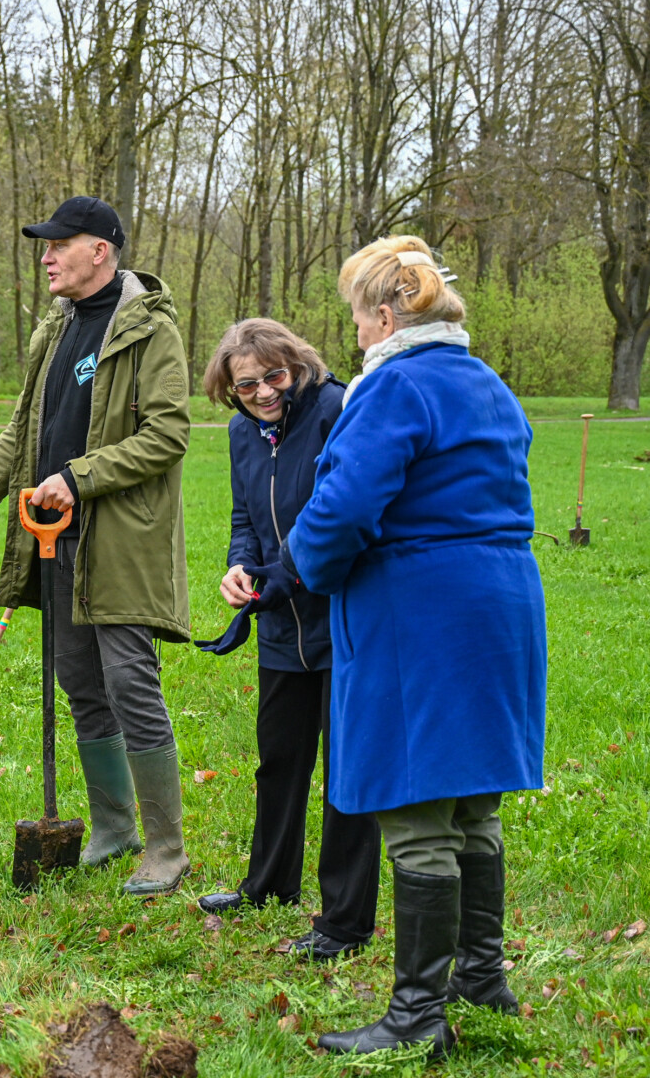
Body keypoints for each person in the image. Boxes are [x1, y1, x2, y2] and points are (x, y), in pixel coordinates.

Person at [283, 237, 545, 1058]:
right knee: (471, 803)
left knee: (417, 806)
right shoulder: (486, 382)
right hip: (500, 599)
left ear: (386, 317)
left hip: (422, 608)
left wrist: (305, 565)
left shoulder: (395, 384)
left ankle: (415, 1016)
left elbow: (345, 505)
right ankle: (480, 977)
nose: (356, 334)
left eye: (358, 319)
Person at [0, 196, 193, 895]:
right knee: (81, 685)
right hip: (55, 541)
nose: (45, 257)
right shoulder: (58, 327)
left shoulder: (150, 330)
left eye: (58, 245)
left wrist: (79, 477)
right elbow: (22, 430)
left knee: (130, 684)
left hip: (122, 540)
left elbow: (167, 434)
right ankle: (113, 828)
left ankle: (166, 850)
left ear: (99, 250)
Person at [191, 319, 381, 962]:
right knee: (278, 760)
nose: (264, 393)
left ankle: (344, 920)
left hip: (341, 618)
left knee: (346, 772)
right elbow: (245, 517)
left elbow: (344, 516)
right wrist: (240, 567)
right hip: (278, 623)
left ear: (297, 366)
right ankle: (269, 884)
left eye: (274, 377)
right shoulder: (241, 432)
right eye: (246, 386)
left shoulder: (337, 409)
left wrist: (284, 576)